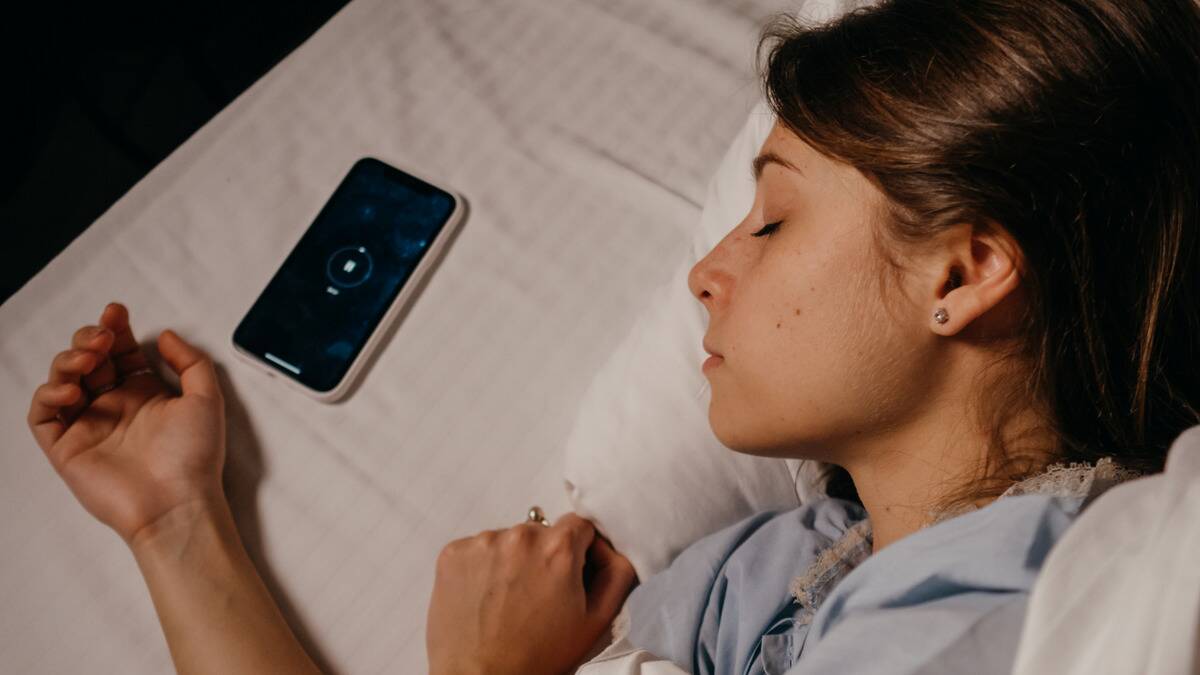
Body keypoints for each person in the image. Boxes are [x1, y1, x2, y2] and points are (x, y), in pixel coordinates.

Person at [24, 0, 1200, 673]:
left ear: (964, 270)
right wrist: (175, 521)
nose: (705, 271)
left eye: (775, 219)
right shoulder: (786, 563)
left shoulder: (994, 624)